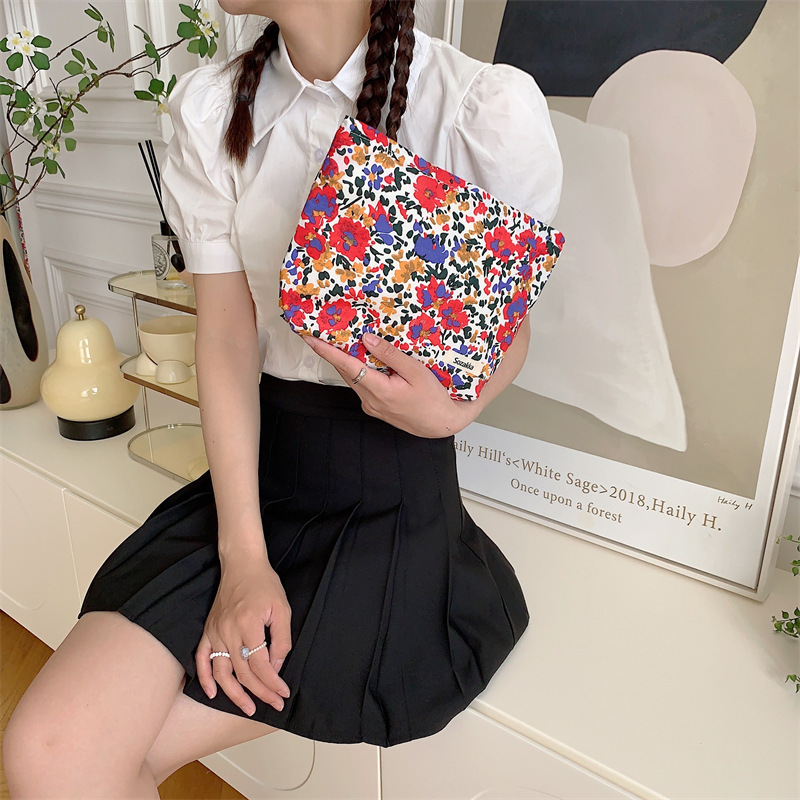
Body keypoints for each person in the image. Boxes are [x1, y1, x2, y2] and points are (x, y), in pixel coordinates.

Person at [4, 0, 562, 795]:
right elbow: (227, 340)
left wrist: (455, 411)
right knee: (46, 749)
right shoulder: (210, 109)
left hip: (393, 501)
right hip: (257, 481)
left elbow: (510, 326)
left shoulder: (479, 110)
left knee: (86, 757)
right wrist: (243, 558)